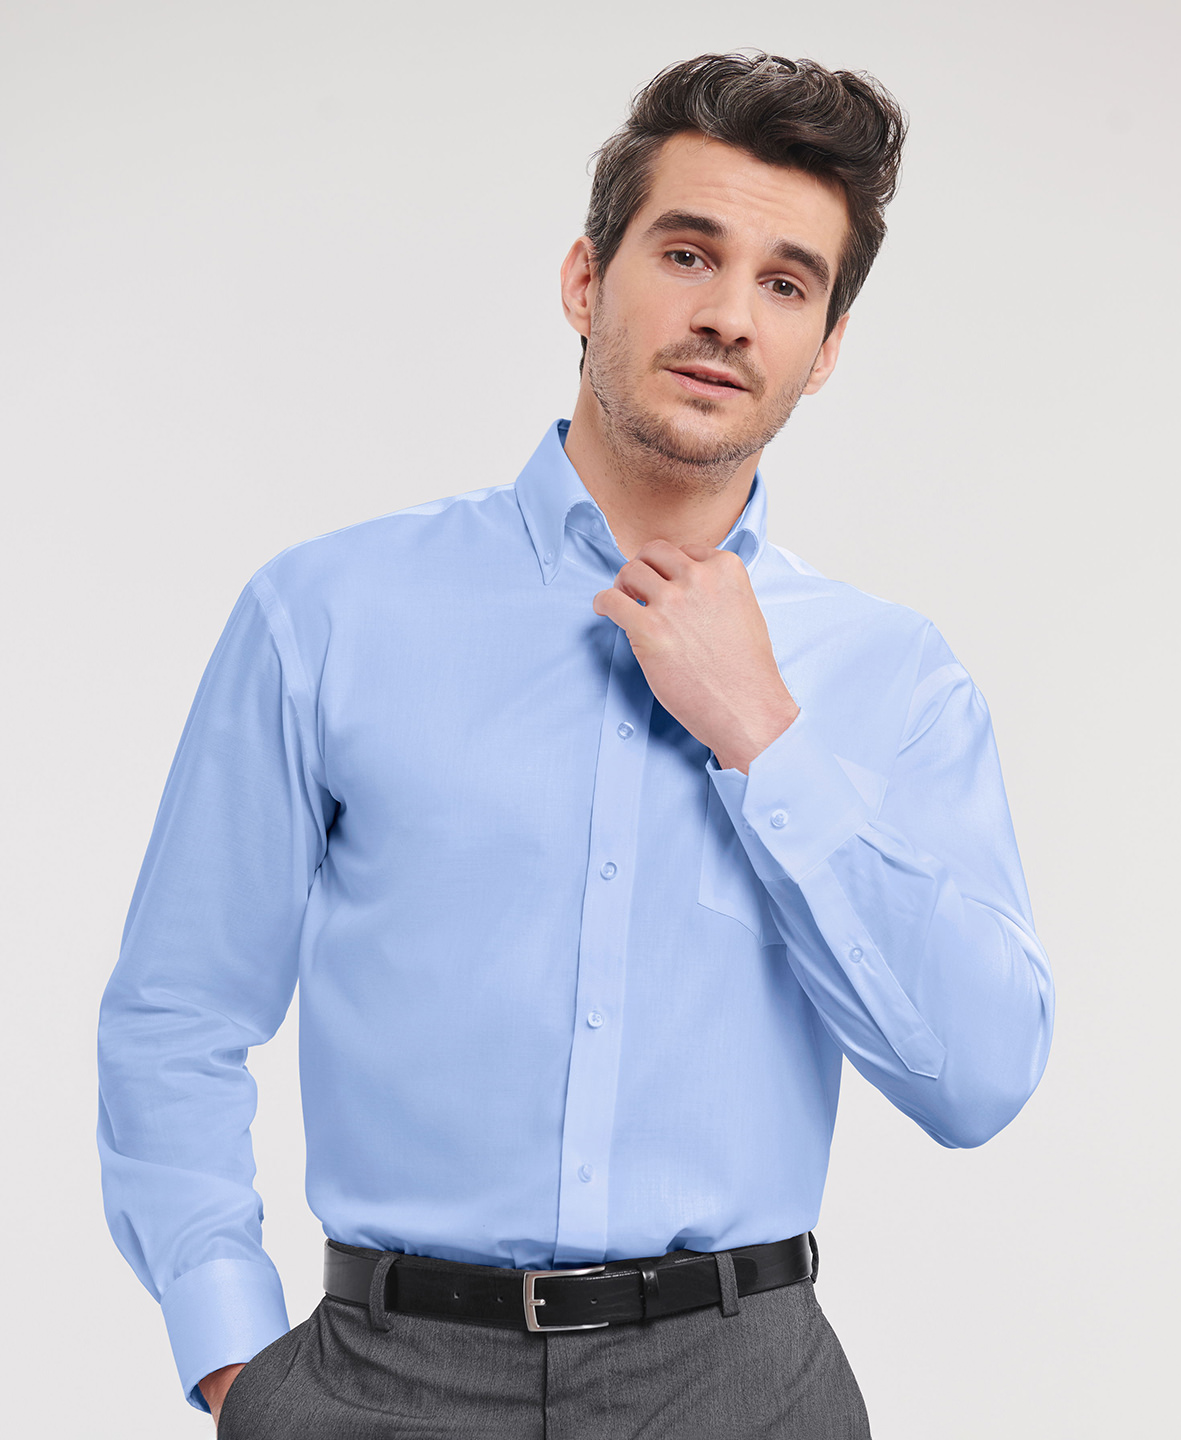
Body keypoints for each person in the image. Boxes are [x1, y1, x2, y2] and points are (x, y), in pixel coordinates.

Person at [96, 50, 1055, 1438]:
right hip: (386, 1379)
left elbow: (979, 1078)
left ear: (828, 348)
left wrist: (763, 737)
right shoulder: (329, 613)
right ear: (585, 282)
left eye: (787, 283)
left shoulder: (894, 679)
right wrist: (236, 1362)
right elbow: (176, 1013)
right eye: (688, 253)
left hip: (745, 1388)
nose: (729, 315)